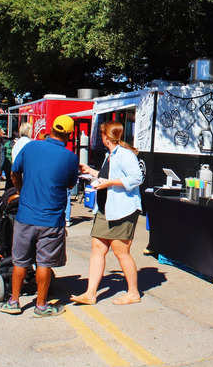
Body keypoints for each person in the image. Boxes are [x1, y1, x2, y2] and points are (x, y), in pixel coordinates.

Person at [0, 115, 78, 317]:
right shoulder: (70, 157)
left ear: (51, 129)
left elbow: (14, 173)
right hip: (51, 220)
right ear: (69, 135)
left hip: (26, 215)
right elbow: (70, 185)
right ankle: (41, 305)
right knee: (44, 263)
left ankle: (13, 302)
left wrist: (21, 188)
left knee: (20, 261)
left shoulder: (31, 147)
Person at [71, 120, 144, 306]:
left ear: (106, 136)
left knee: (121, 252)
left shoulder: (125, 154)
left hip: (122, 211)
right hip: (106, 209)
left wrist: (109, 183)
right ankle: (90, 293)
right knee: (97, 248)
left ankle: (134, 292)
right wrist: (92, 172)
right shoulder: (110, 154)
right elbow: (109, 176)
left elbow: (136, 178)